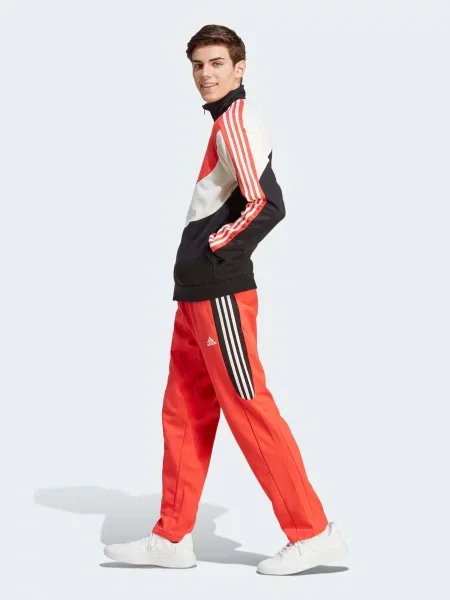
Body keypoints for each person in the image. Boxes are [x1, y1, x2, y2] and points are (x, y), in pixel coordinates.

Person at [104, 24, 348, 576]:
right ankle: (172, 536)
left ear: (240, 69)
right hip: (195, 294)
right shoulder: (223, 122)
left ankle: (312, 532)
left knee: (247, 406)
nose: (205, 74)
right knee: (184, 409)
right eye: (197, 65)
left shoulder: (236, 120)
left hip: (219, 294)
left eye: (216, 63)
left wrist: (216, 249)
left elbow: (267, 204)